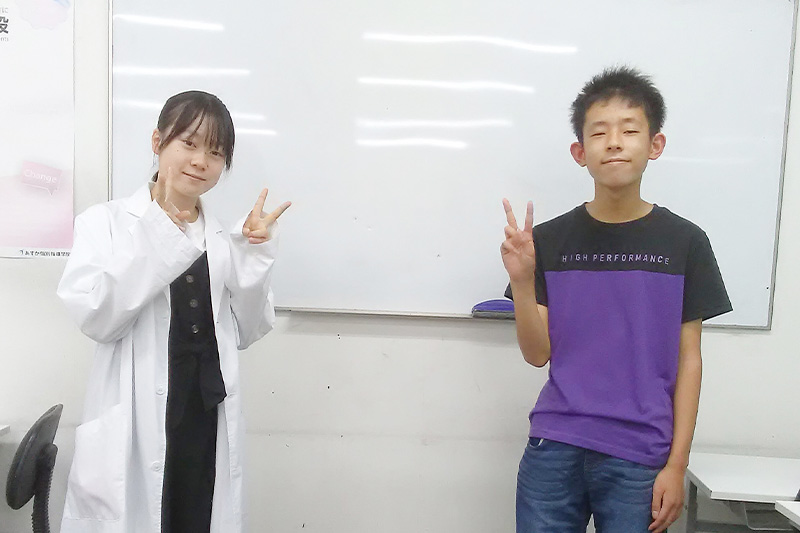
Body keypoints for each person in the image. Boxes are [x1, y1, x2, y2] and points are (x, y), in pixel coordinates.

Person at [501, 67, 732, 533]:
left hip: (640, 456)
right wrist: (522, 283)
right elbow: (537, 354)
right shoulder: (548, 240)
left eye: (629, 130)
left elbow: (690, 360)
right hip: (555, 444)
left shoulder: (685, 242)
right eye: (599, 133)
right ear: (579, 152)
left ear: (655, 145)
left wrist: (676, 464)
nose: (614, 143)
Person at [57, 90, 290, 533]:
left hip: (204, 417)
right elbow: (97, 319)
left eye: (216, 153)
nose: (201, 161)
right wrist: (157, 235)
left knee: (196, 518)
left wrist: (254, 257)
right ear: (157, 141)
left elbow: (248, 329)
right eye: (189, 143)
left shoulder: (222, 238)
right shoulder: (104, 223)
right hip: (136, 418)